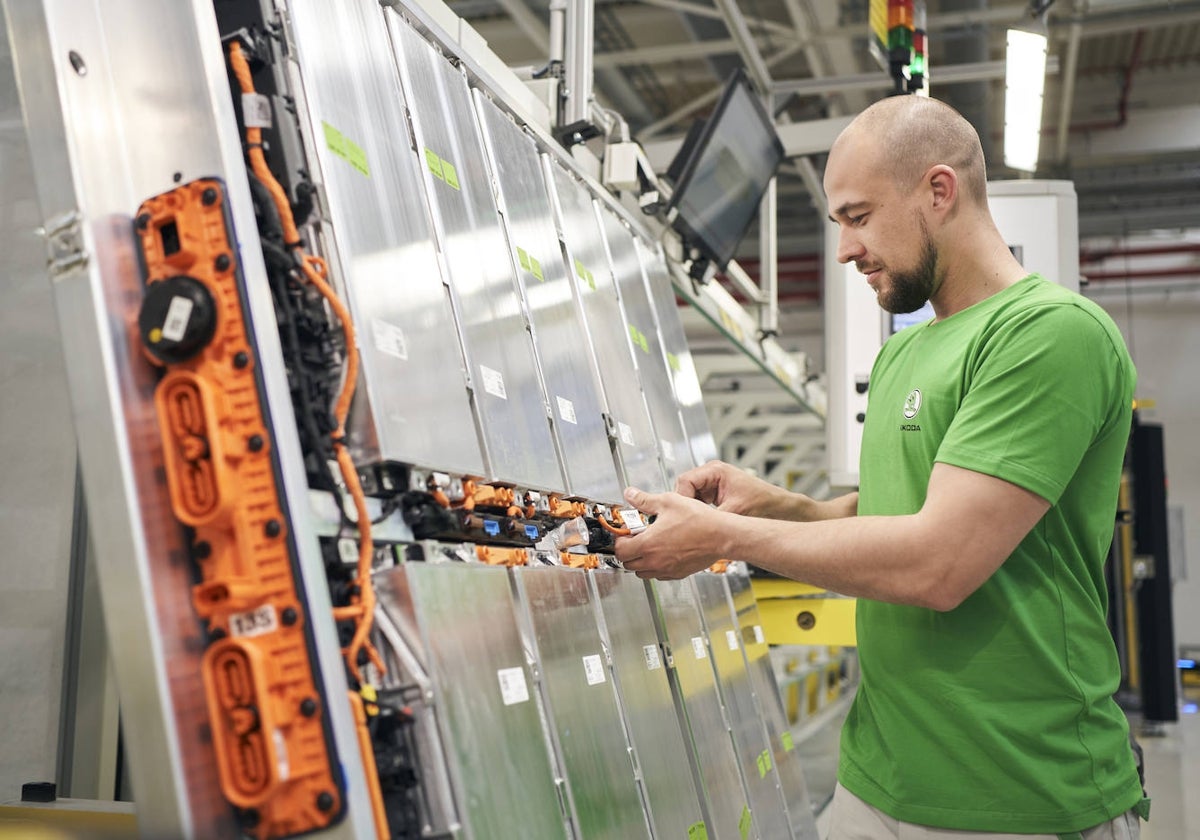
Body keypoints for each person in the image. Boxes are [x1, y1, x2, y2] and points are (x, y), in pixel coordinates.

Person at [614, 95, 1147, 839]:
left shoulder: (1050, 334)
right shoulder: (902, 350)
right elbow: (888, 515)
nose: (842, 251)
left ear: (938, 190)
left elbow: (938, 563)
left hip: (1020, 793)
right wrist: (772, 505)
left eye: (858, 217)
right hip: (877, 780)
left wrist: (721, 540)